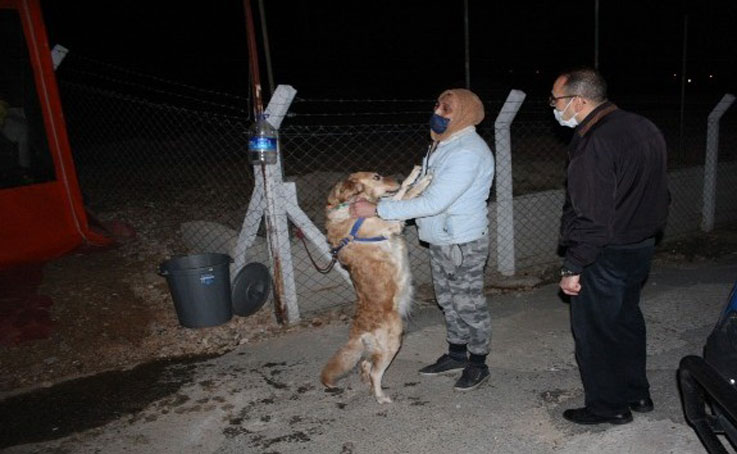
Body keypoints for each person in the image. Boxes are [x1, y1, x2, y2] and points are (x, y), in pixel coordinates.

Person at [351, 88, 495, 392]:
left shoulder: (467, 152)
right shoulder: (443, 145)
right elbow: (419, 187)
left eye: (446, 109)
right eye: (438, 106)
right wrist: (388, 194)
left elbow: (434, 202)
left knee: (468, 304)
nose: (438, 113)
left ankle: (479, 363)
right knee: (448, 300)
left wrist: (378, 209)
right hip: (443, 238)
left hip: (461, 242)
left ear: (464, 114)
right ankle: (457, 354)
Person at [551, 68, 669, 425]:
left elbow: (593, 216)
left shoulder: (594, 143)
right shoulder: (642, 126)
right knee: (626, 321)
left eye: (556, 100)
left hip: (605, 252)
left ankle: (608, 406)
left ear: (579, 101)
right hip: (640, 245)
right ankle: (636, 392)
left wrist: (575, 265)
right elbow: (661, 191)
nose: (553, 107)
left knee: (596, 332)